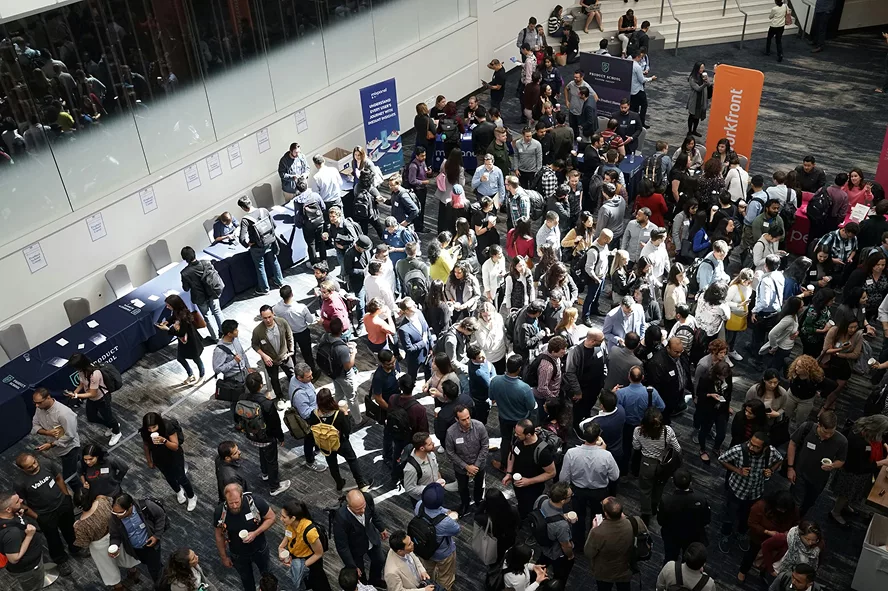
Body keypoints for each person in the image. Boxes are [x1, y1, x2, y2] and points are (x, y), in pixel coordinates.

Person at [717, 432, 784, 553]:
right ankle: (726, 534)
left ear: (765, 448)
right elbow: (722, 459)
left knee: (748, 516)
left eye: (756, 446)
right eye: (751, 444)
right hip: (737, 490)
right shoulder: (738, 450)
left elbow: (780, 460)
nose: (751, 448)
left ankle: (741, 533)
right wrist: (737, 470)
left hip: (755, 492)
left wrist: (771, 470)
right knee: (730, 514)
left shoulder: (771, 451)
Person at [12, 453, 77, 575]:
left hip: (62, 504)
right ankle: (61, 560)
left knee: (70, 529)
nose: (35, 466)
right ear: (22, 469)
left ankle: (76, 548)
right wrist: (37, 517)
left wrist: (66, 496)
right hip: (45, 514)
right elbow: (20, 503)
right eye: (30, 467)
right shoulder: (20, 483)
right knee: (53, 539)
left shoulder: (47, 463)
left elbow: (58, 478)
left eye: (34, 462)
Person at [560, 422, 619, 551]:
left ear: (583, 436)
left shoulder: (571, 453)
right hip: (599, 492)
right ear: (598, 437)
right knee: (598, 518)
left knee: (577, 518)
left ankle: (578, 545)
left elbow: (563, 478)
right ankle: (595, 544)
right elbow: (615, 476)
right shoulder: (606, 455)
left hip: (578, 491)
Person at [308, 388, 373, 492]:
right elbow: (347, 430)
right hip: (340, 443)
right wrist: (346, 414)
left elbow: (312, 427)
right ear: (331, 400)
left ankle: (339, 483)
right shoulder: (338, 414)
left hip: (325, 444)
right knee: (352, 460)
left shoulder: (314, 414)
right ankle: (361, 483)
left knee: (332, 464)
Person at [214, 483, 276, 591]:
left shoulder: (255, 502)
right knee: (246, 580)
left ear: (241, 495)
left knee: (267, 575)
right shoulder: (220, 512)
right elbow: (219, 535)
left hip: (260, 549)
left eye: (236, 502)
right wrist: (224, 557)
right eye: (230, 503)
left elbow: (271, 517)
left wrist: (255, 533)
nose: (234, 506)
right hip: (238, 554)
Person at [786, 411, 847, 517]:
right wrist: (790, 468)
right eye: (825, 432)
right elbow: (793, 443)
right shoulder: (807, 428)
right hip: (800, 474)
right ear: (819, 425)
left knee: (808, 503)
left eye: (831, 433)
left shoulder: (842, 441)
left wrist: (832, 465)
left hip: (819, 480)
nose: (828, 436)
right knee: (795, 502)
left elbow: (841, 461)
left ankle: (798, 519)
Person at [238, 372, 291, 496]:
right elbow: (275, 423)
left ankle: (264, 473)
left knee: (262, 452)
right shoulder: (266, 404)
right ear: (261, 385)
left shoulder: (242, 398)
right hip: (266, 437)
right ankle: (274, 487)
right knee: (272, 460)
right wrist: (280, 437)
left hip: (251, 435)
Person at [584, 497, 646, 591]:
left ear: (605, 513)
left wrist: (593, 529)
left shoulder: (598, 532)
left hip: (604, 571)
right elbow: (645, 538)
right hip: (626, 567)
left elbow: (588, 552)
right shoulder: (635, 522)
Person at [139, 412, 197, 511]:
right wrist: (149, 460)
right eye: (149, 428)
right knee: (169, 477)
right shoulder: (145, 431)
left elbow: (175, 446)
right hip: (159, 457)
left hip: (174, 456)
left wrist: (164, 441)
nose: (151, 430)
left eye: (154, 427)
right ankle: (178, 491)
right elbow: (146, 446)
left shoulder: (167, 427)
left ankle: (192, 496)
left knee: (181, 478)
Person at [633, 407, 681, 523]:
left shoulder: (638, 431)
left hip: (646, 464)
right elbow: (677, 448)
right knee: (659, 487)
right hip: (662, 465)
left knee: (645, 489)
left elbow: (636, 447)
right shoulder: (668, 431)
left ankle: (645, 513)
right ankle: (655, 506)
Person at [331, 490, 387, 588]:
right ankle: (364, 585)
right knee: (359, 572)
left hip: (371, 537)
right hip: (355, 547)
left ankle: (375, 580)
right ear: (349, 506)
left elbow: (374, 514)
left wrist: (381, 528)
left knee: (380, 560)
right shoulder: (341, 519)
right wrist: (352, 566)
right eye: (358, 509)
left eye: (363, 507)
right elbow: (342, 546)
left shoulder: (367, 499)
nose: (362, 511)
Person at [489, 355, 537, 472]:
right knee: (521, 442)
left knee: (505, 440)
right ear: (519, 368)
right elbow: (531, 406)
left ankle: (504, 464)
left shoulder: (495, 381)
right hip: (520, 421)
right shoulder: (524, 388)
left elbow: (492, 398)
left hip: (503, 417)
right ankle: (520, 466)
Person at [739, 490, 799, 581]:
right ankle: (743, 570)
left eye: (784, 510)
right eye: (780, 508)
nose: (782, 511)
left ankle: (764, 573)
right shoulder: (760, 506)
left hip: (779, 540)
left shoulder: (792, 510)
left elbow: (796, 523)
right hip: (759, 537)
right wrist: (767, 532)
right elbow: (752, 523)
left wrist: (789, 532)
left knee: (772, 558)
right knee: (751, 553)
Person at [502, 418, 557, 517]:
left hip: (532, 488)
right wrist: (509, 473)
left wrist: (529, 481)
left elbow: (551, 473)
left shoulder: (542, 452)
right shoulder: (518, 439)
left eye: (518, 434)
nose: (515, 435)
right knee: (521, 502)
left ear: (528, 435)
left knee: (529, 507)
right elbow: (512, 453)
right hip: (518, 482)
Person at [65, 353, 122, 446]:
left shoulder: (95, 374)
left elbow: (92, 393)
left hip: (102, 398)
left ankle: (117, 432)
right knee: (91, 417)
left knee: (108, 417)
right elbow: (82, 384)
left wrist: (76, 396)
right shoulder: (81, 371)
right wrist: (74, 393)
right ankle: (111, 426)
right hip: (91, 399)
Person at [31, 387, 81, 494]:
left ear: (48, 398)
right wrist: (47, 433)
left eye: (39, 402)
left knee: (69, 476)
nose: (36, 405)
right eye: (35, 403)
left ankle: (80, 493)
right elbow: (35, 425)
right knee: (76, 463)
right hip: (56, 447)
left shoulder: (64, 414)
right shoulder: (39, 408)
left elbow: (70, 435)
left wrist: (51, 444)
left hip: (69, 447)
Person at [109, 493, 166, 585]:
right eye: (115, 512)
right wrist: (114, 545)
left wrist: (156, 536)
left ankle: (161, 585)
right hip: (135, 550)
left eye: (121, 512)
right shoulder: (115, 518)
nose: (117, 515)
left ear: (130, 507)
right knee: (151, 563)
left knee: (154, 570)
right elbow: (115, 535)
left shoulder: (146, 506)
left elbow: (161, 516)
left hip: (151, 545)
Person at [413, 483, 460, 591]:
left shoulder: (419, 505)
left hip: (423, 549)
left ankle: (428, 585)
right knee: (446, 576)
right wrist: (451, 515)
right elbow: (456, 530)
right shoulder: (446, 521)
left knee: (427, 570)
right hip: (443, 553)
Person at [658, 470, 711, 563]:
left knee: (670, 558)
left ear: (673, 483)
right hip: (693, 535)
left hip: (672, 536)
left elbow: (661, 521)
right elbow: (706, 519)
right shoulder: (701, 499)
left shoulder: (666, 501)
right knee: (689, 558)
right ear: (690, 483)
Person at [445, 406, 488, 515]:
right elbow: (450, 452)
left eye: (468, 417)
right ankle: (465, 503)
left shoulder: (479, 426)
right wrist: (466, 466)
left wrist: (476, 465)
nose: (467, 421)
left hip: (479, 465)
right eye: (463, 419)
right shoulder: (451, 432)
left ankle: (478, 501)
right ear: (456, 419)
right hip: (461, 468)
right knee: (462, 487)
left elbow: (485, 446)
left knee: (479, 485)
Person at [238, 195, 284, 295]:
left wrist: (247, 244)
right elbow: (274, 226)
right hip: (270, 241)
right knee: (274, 261)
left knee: (260, 267)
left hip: (257, 247)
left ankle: (264, 289)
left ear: (243, 208)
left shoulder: (245, 220)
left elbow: (241, 238)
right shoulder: (264, 210)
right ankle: (280, 282)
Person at [252, 305, 295, 410]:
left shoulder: (282, 322)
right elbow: (255, 345)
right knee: (274, 379)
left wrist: (291, 351)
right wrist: (264, 355)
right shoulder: (258, 331)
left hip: (285, 356)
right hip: (270, 361)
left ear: (273, 314)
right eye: (265, 318)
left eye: (269, 317)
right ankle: (280, 397)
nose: (268, 320)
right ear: (261, 318)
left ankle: (296, 393)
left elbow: (289, 336)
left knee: (292, 375)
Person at [155, 293, 205, 383]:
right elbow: (174, 317)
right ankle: (191, 375)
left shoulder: (184, 316)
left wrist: (167, 329)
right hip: (184, 342)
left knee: (196, 359)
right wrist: (167, 322)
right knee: (180, 358)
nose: (167, 307)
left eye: (168, 305)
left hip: (191, 342)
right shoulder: (177, 311)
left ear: (174, 305)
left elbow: (181, 333)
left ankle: (202, 375)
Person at [532, 482, 575, 582]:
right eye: (570, 496)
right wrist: (570, 556)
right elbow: (565, 545)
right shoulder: (561, 525)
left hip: (542, 543)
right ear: (563, 501)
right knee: (560, 575)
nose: (571, 497)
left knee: (541, 563)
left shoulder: (541, 499)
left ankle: (533, 579)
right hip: (555, 553)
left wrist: (563, 516)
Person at [180, 246, 225, 342]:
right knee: (217, 311)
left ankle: (215, 337)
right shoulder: (206, 262)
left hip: (200, 298)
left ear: (184, 259)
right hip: (212, 292)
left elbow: (186, 288)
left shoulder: (185, 273)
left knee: (207, 316)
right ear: (194, 253)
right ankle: (225, 332)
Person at [273, 285, 316, 372]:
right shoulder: (301, 307)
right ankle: (313, 372)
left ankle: (294, 372)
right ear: (292, 294)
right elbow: (310, 320)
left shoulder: (276, 308)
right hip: (303, 332)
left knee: (291, 355)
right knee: (307, 354)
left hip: (288, 334)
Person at [686, 62, 713, 137]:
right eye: (701, 68)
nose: (702, 69)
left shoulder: (703, 75)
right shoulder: (692, 78)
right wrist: (704, 84)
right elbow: (697, 88)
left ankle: (694, 130)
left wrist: (707, 81)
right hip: (695, 99)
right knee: (692, 115)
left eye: (703, 68)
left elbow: (709, 84)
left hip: (702, 99)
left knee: (698, 116)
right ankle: (689, 131)